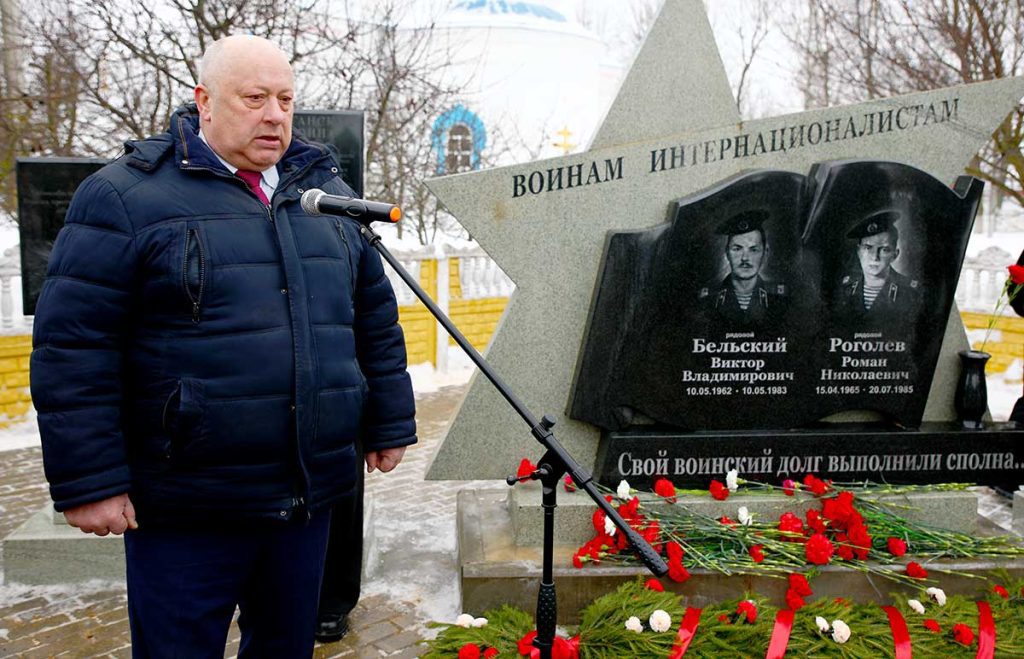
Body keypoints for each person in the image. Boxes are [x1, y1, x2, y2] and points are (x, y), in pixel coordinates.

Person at [29, 34, 416, 658]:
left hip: (305, 497)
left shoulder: (322, 193)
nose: (275, 116)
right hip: (187, 505)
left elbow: (371, 316)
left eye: (285, 100)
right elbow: (74, 347)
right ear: (204, 101)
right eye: (255, 98)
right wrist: (90, 480)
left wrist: (388, 419)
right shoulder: (126, 197)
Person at [698, 209, 788, 328]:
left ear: (765, 253)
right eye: (737, 249)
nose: (745, 258)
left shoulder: (779, 297)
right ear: (727, 253)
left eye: (753, 250)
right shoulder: (709, 297)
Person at [834, 210, 920, 329]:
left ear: (895, 255)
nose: (875, 257)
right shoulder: (845, 289)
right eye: (868, 248)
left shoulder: (909, 291)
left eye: (884, 249)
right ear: (858, 251)